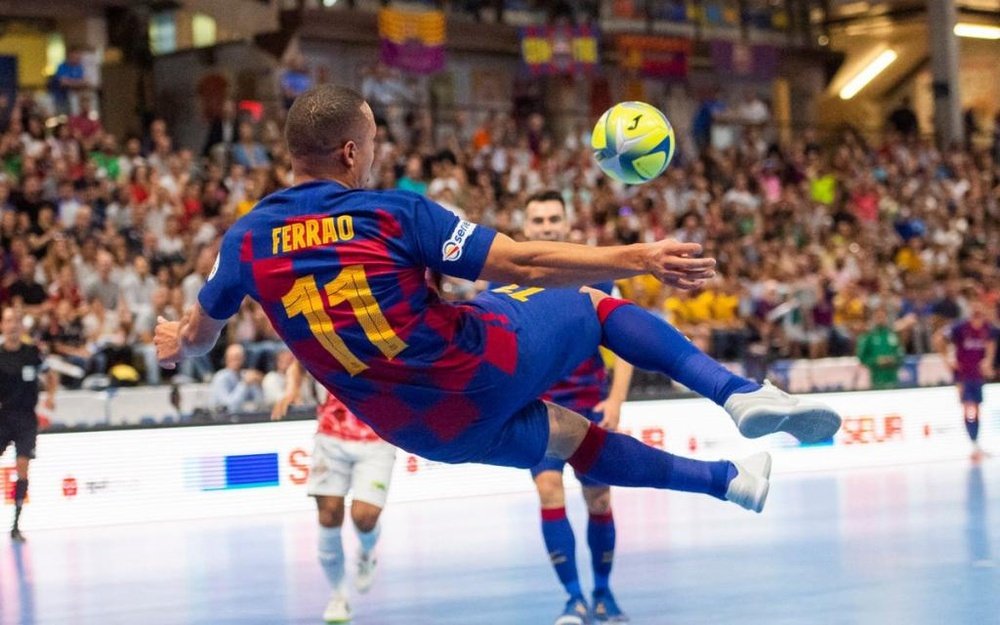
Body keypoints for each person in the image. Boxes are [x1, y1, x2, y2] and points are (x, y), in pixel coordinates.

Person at [155, 85, 841, 533]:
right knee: (591, 303)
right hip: (472, 366)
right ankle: (739, 394)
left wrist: (177, 342)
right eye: (373, 142)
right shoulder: (392, 212)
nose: (376, 153)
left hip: (424, 430)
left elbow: (197, 333)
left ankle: (731, 482)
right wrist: (635, 255)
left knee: (571, 437)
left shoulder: (243, 239)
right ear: (350, 151)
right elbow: (523, 264)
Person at [512, 190, 635, 625]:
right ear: (525, 227)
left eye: (553, 219)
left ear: (566, 223)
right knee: (548, 491)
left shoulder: (598, 276)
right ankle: (573, 599)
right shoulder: (502, 282)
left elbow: (626, 345)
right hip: (539, 410)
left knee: (598, 497)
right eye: (538, 220)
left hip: (590, 406)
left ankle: (603, 594)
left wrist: (616, 398)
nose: (546, 227)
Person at [273, 361, 396, 623]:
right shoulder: (328, 324)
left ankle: (366, 553)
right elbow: (299, 359)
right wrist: (291, 389)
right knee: (328, 515)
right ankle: (338, 596)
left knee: (365, 517)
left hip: (378, 435)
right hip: (331, 435)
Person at [0, 307, 57, 542]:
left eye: (17, 321)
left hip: (25, 419)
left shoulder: (32, 353)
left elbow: (50, 375)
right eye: (8, 321)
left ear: (22, 326)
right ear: (2, 326)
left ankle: (16, 525)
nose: (13, 326)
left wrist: (51, 396)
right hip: (3, 417)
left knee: (22, 467)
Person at [936, 302, 998, 462]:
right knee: (967, 408)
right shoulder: (960, 328)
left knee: (976, 409)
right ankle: (972, 444)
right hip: (963, 375)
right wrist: (947, 358)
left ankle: (976, 443)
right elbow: (938, 338)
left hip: (977, 376)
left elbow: (992, 342)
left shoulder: (987, 328)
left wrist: (988, 361)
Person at [856, 307, 904, 390]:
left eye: (882, 317)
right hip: (875, 379)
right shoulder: (868, 337)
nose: (880, 319)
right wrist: (876, 361)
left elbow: (901, 354)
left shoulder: (892, 335)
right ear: (873, 318)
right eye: (878, 317)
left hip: (893, 379)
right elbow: (861, 357)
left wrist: (892, 359)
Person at [209, 344, 264, 414]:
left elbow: (259, 403)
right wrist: (244, 384)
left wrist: (258, 384)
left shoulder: (245, 375)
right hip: (222, 419)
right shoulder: (221, 377)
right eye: (232, 357)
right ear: (226, 359)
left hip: (244, 418)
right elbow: (228, 407)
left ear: (244, 358)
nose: (235, 360)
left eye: (238, 357)